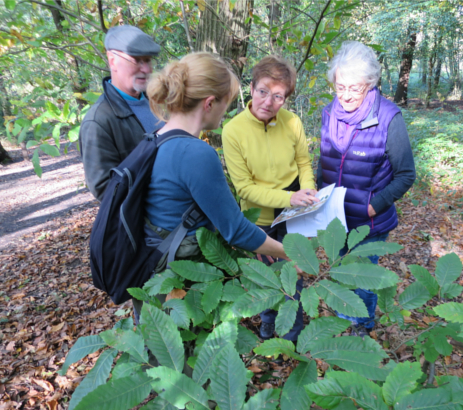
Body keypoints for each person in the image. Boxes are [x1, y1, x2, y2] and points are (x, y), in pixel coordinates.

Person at [136, 52, 291, 317]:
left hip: (150, 272)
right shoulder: (195, 153)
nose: (227, 110)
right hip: (179, 284)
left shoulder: (155, 138)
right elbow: (236, 231)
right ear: (209, 103)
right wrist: (291, 254)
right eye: (226, 102)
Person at [318, 41, 416, 337]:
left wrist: (376, 204)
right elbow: (324, 159)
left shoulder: (388, 117)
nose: (346, 95)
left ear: (370, 84)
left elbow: (406, 174)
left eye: (354, 88)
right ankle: (343, 320)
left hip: (369, 219)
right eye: (340, 87)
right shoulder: (329, 112)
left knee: (362, 275)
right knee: (339, 271)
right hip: (335, 215)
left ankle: (361, 324)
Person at [222, 56, 318, 342]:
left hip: (294, 215)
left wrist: (309, 191)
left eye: (278, 96)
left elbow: (304, 163)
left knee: (294, 272)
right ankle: (268, 320)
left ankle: (292, 334)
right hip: (260, 220)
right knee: (266, 275)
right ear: (251, 88)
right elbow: (245, 189)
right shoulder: (233, 131)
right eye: (263, 91)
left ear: (286, 98)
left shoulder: (292, 122)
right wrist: (292, 197)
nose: (268, 102)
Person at [80, 25, 163, 200]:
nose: (146, 69)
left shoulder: (160, 102)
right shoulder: (98, 121)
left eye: (147, 60)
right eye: (137, 60)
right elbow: (105, 190)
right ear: (112, 61)